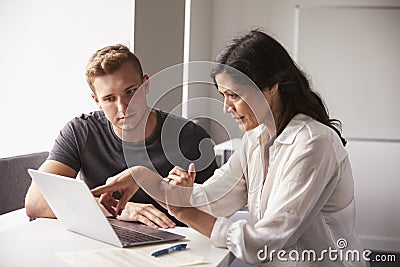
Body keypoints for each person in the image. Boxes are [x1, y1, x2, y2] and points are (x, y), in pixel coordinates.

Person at [91, 30, 367, 266]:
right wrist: (141, 176)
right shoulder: (256, 138)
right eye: (223, 96)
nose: (226, 108)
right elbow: (212, 201)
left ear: (270, 88)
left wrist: (184, 211)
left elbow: (261, 245)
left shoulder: (312, 143)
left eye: (234, 95)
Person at [25, 44, 218, 228]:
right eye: (109, 99)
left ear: (146, 84)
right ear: (96, 101)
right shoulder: (80, 131)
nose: (123, 107)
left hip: (175, 244)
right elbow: (35, 202)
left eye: (130, 92)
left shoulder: (191, 137)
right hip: (104, 239)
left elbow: (218, 215)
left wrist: (186, 199)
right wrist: (116, 210)